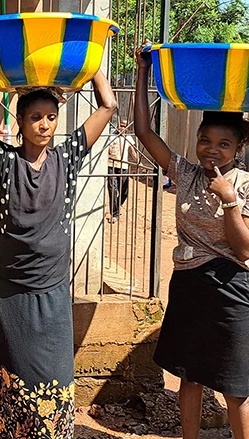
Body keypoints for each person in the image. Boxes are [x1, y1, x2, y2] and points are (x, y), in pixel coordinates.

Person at [0, 27, 116, 439]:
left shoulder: (68, 157)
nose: (45, 125)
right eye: (35, 117)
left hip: (51, 294)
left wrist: (91, 53)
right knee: (7, 377)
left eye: (51, 117)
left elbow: (108, 104)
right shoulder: (3, 163)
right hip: (9, 293)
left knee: (50, 373)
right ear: (21, 120)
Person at [134, 44, 249, 439]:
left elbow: (245, 249)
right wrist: (143, 73)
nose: (211, 150)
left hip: (232, 289)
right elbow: (144, 132)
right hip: (188, 284)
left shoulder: (245, 184)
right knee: (190, 376)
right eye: (205, 140)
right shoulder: (185, 173)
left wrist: (230, 201)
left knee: (235, 387)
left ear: (239, 148)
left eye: (223, 144)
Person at [107, 118, 138, 223]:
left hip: (123, 166)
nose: (122, 127)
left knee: (125, 191)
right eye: (120, 125)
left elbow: (132, 151)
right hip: (111, 165)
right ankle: (114, 214)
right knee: (113, 189)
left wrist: (139, 162)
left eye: (124, 126)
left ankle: (117, 206)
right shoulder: (110, 137)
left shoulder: (128, 138)